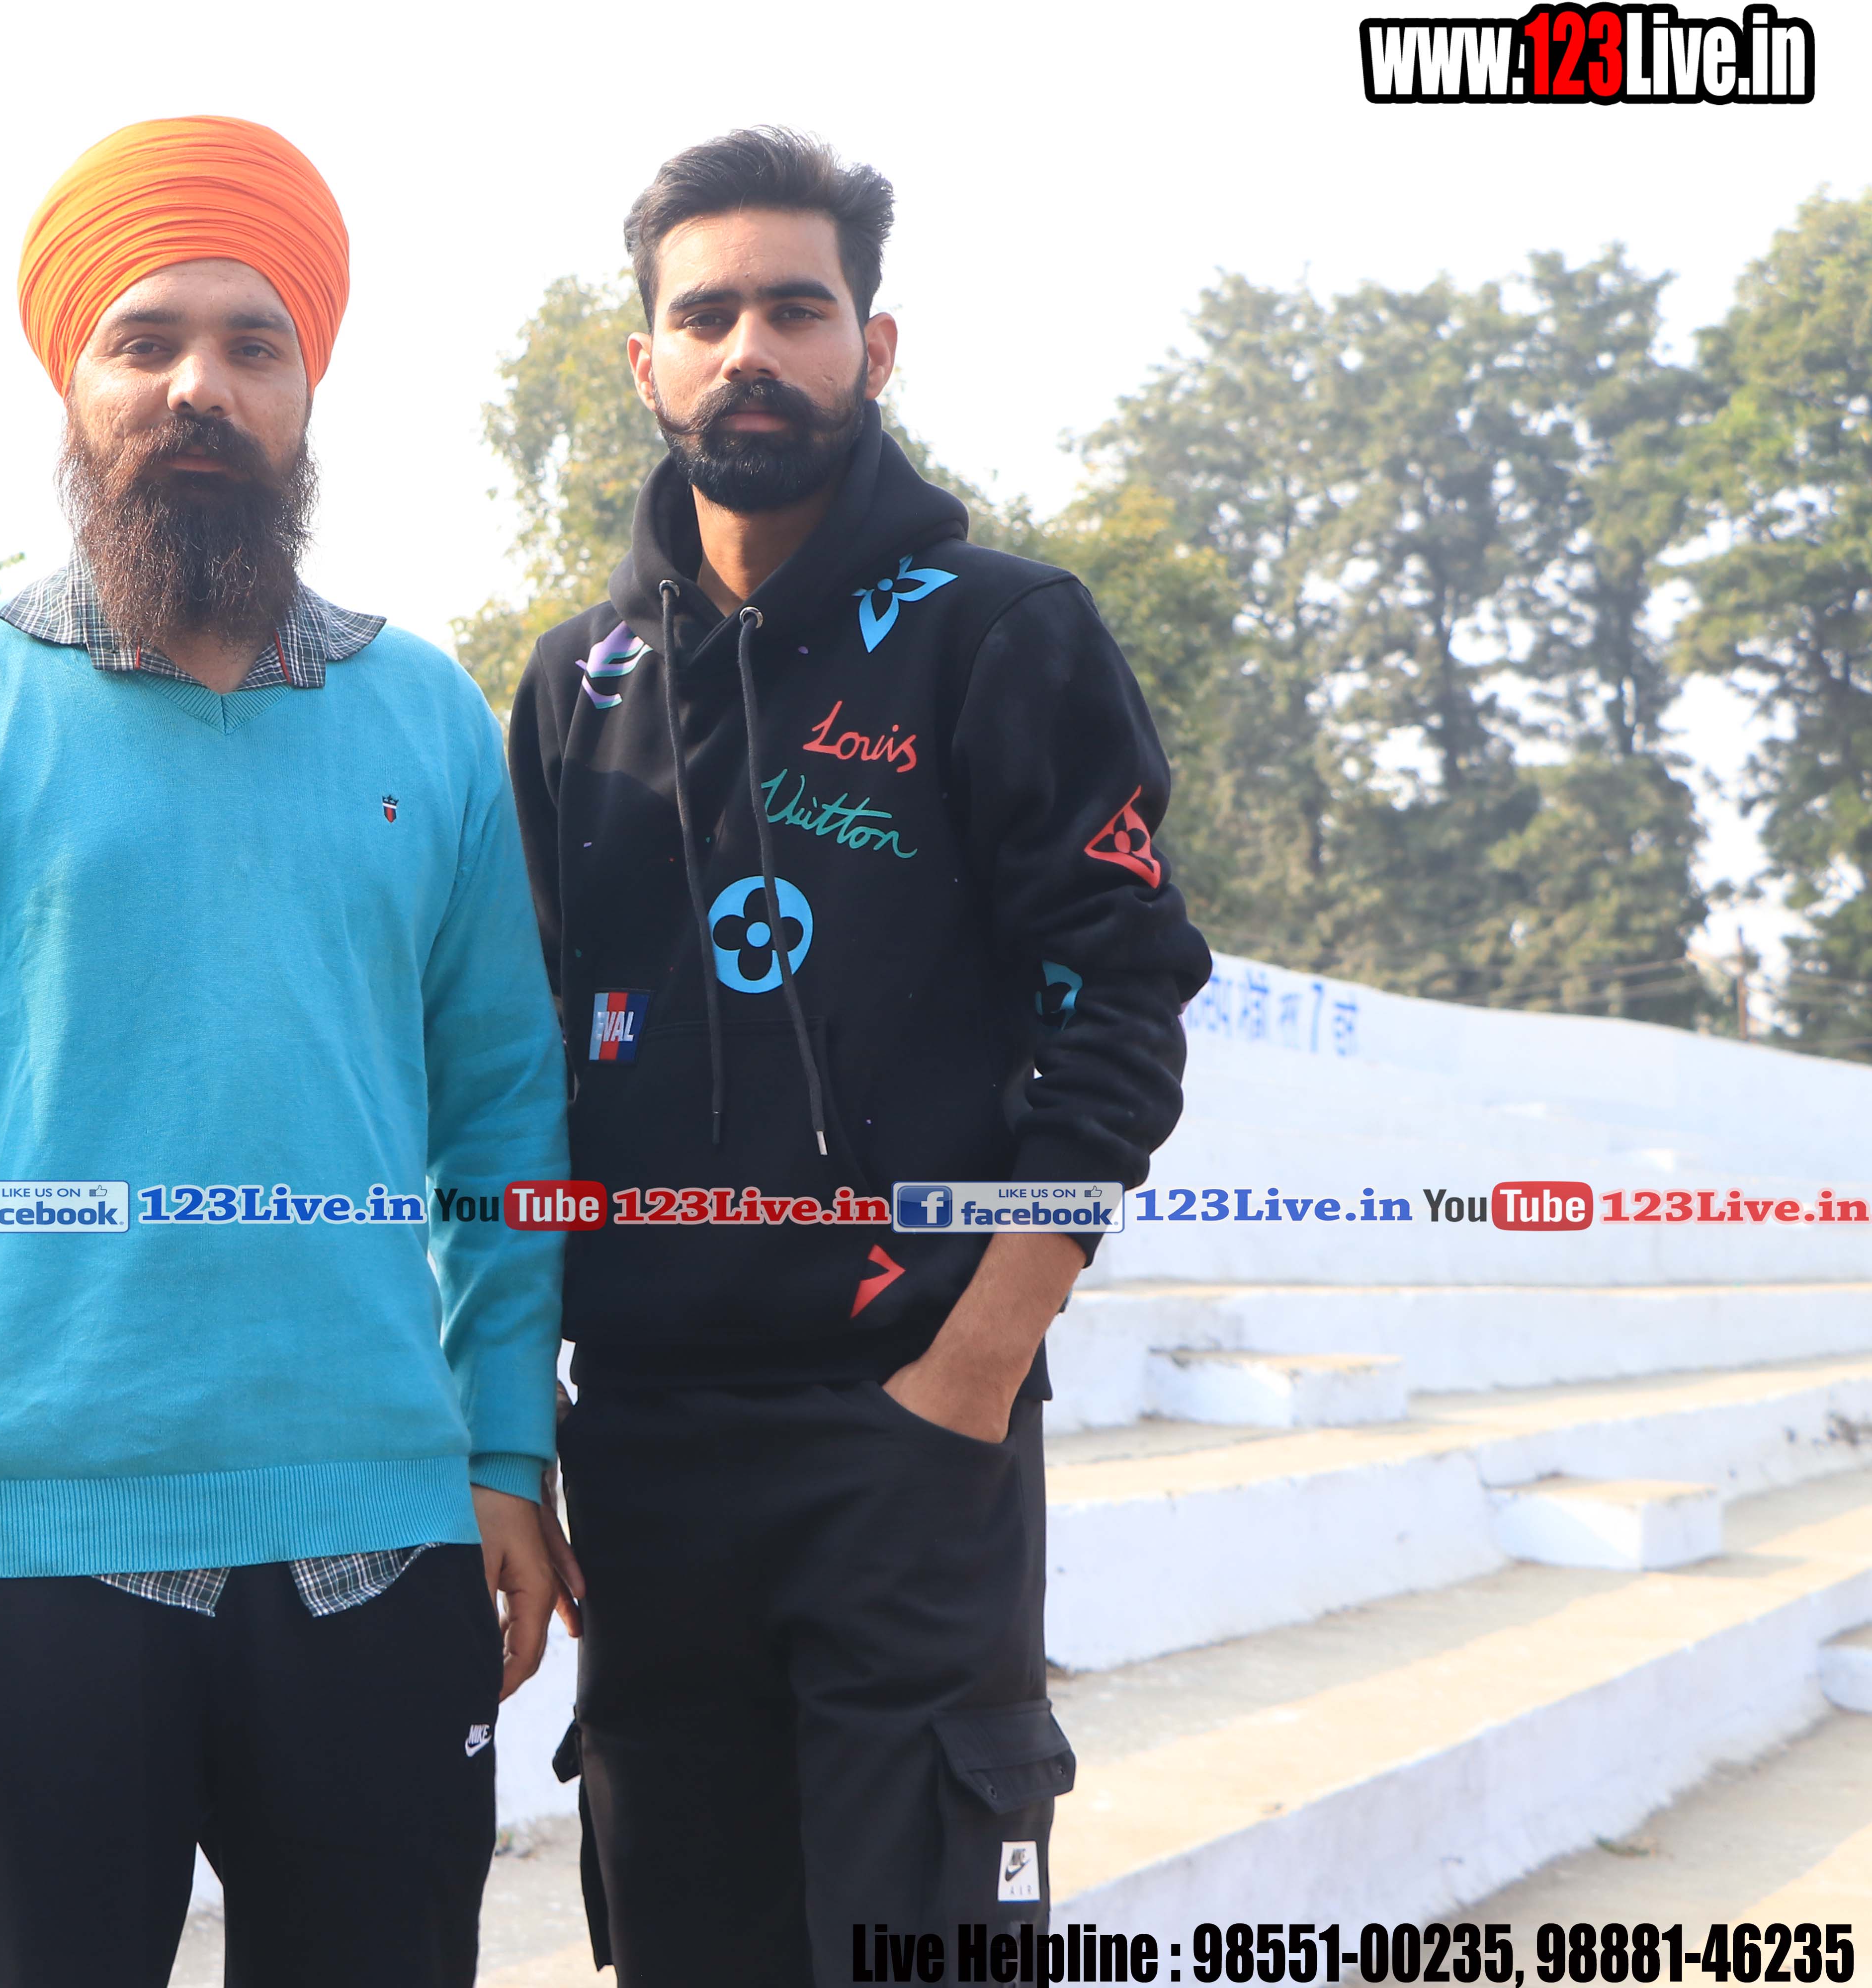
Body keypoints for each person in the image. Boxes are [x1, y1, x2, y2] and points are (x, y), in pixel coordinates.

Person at [0, 115, 572, 1988]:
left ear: (307, 392)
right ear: (73, 385)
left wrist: (510, 1447)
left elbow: (509, 1122)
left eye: (253, 344)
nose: (201, 384)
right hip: (27, 1565)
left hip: (384, 1547)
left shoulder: (426, 715)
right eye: (147, 340)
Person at [507, 127, 1213, 1980]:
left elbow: (1122, 1006)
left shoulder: (1003, 633)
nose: (751, 349)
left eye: (796, 310)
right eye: (706, 315)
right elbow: (517, 1070)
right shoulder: (576, 683)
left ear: (872, 348)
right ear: (645, 361)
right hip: (643, 1445)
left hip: (910, 1423)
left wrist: (971, 1372)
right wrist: (520, 1434)